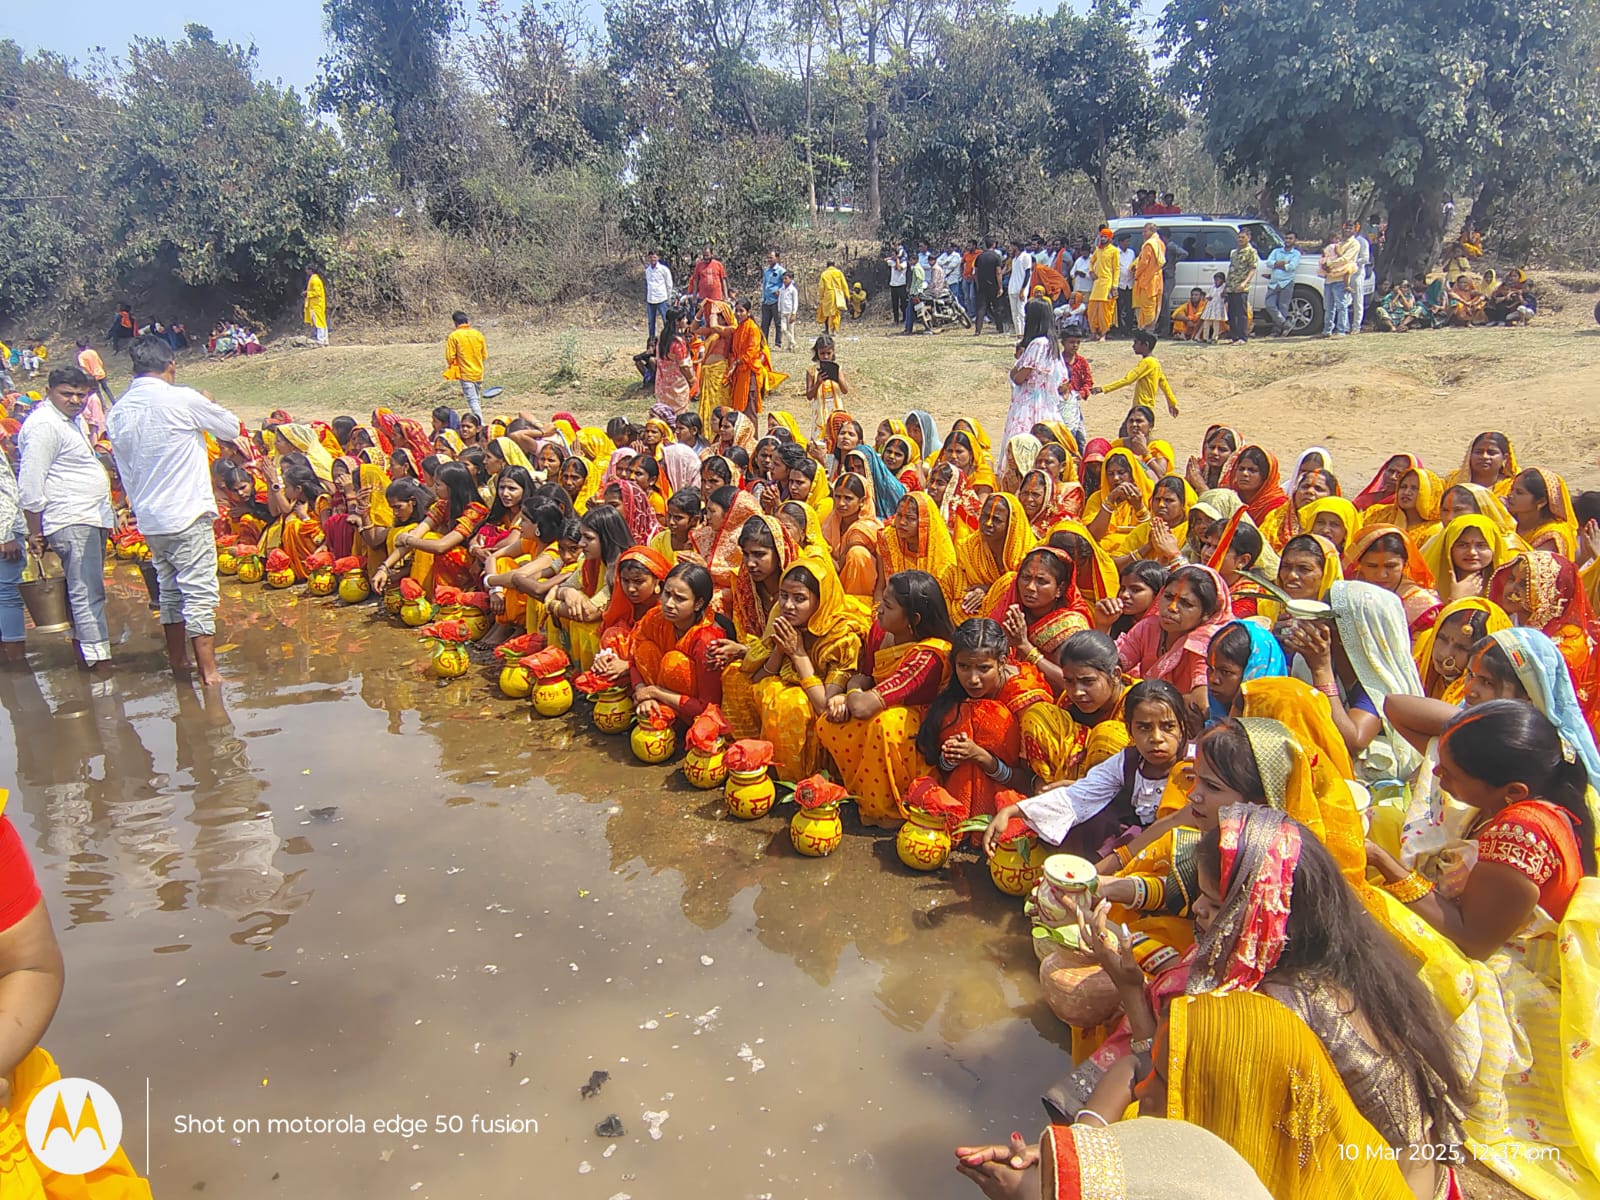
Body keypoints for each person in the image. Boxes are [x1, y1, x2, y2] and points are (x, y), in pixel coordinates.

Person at [107, 335, 243, 686]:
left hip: (151, 518)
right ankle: (209, 673)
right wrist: (206, 402)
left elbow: (122, 466)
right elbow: (230, 427)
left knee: (168, 591)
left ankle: (179, 662)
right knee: (199, 593)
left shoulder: (118, 411)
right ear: (171, 366)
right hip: (186, 513)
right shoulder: (181, 398)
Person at [18, 366, 116, 671]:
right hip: (72, 519)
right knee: (87, 592)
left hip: (89, 516)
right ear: (49, 392)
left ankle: (87, 654)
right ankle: (97, 665)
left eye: (81, 395)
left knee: (86, 589)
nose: (75, 400)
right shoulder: (45, 426)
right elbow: (30, 484)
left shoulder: (70, 422)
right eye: (67, 394)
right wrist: (35, 532)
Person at [1090, 331, 1179, 419]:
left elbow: (1128, 380)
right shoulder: (1155, 362)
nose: (1133, 346)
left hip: (1141, 406)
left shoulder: (1147, 362)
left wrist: (1103, 389)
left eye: (1136, 343)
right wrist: (1172, 403)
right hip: (1148, 407)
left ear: (1145, 345)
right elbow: (1164, 384)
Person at [443, 311, 487, 421]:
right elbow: (484, 355)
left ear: (455, 323)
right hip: (479, 373)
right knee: (476, 399)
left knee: (473, 401)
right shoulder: (478, 334)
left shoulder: (454, 336)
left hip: (465, 374)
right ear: (467, 321)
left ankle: (480, 425)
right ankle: (479, 421)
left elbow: (450, 357)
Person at [1319, 221, 1359, 336]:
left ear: (1355, 230)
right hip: (1329, 277)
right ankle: (1327, 330)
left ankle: (1341, 330)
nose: (1347, 230)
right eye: (1346, 228)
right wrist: (1325, 264)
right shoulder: (1339, 243)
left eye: (1350, 228)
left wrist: (1330, 263)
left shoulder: (1354, 244)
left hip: (1341, 278)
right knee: (1328, 306)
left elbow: (1345, 259)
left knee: (1341, 306)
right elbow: (1327, 255)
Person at [1262, 230, 1301, 336]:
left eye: (1290, 238)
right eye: (1286, 238)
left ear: (1295, 240)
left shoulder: (1296, 254)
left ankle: (1276, 331)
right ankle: (1285, 324)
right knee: (1269, 305)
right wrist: (1282, 263)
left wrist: (1277, 264)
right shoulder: (1276, 251)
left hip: (1287, 282)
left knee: (1283, 306)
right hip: (1274, 283)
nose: (1287, 240)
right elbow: (1269, 263)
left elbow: (1291, 267)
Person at [1223, 228, 1258, 343]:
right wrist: (1226, 286)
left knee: (1241, 313)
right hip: (1231, 286)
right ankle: (1234, 337)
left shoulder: (1251, 252)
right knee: (1231, 313)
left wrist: (1244, 283)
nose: (1240, 239)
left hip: (1241, 287)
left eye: (1243, 237)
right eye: (1239, 237)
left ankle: (1243, 337)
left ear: (1249, 238)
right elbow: (1231, 270)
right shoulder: (1234, 253)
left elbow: (1252, 269)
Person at [1132, 223, 1165, 332]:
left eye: (1145, 231)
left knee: (1147, 307)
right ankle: (1151, 328)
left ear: (1152, 231)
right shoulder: (1160, 243)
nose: (1143, 234)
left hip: (1148, 280)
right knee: (1155, 306)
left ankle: (1146, 329)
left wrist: (1136, 274)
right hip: (1157, 279)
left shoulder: (1149, 245)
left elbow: (1143, 263)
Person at [643, 250, 673, 343]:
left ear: (658, 258)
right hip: (651, 299)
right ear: (648, 258)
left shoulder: (664, 269)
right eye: (651, 257)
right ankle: (651, 340)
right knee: (651, 322)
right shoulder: (647, 270)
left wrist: (669, 297)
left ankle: (669, 338)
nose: (652, 259)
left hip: (662, 299)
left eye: (654, 257)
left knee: (666, 320)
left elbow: (669, 284)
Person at [1006, 240, 1033, 336]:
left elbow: (1028, 273)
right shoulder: (1014, 259)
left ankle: (1024, 334)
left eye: (1011, 247)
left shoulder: (1026, 256)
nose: (1010, 249)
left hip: (1021, 288)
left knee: (1021, 312)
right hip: (1012, 288)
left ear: (1016, 247)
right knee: (1014, 313)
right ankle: (1018, 334)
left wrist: (1023, 289)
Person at [816, 262, 849, 333]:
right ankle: (834, 329)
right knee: (836, 313)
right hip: (838, 295)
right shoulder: (839, 273)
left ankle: (827, 330)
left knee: (826, 313)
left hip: (828, 295)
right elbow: (844, 285)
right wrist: (847, 296)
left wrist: (821, 296)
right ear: (834, 265)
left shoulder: (824, 274)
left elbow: (821, 287)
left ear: (827, 266)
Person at [303, 265, 328, 345]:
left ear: (310, 270)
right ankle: (324, 340)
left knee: (318, 322)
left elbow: (317, 293)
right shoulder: (315, 279)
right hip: (317, 304)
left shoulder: (314, 280)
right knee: (321, 321)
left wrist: (307, 293)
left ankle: (320, 340)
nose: (306, 271)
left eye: (307, 269)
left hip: (316, 305)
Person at [1200, 272, 1226, 342]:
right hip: (1210, 306)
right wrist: (1208, 297)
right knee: (1206, 322)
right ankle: (1205, 337)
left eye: (1218, 280)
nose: (1216, 281)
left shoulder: (1224, 287)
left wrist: (1223, 295)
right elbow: (1208, 294)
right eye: (1215, 280)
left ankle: (1215, 337)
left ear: (1222, 280)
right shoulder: (1212, 287)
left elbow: (1224, 296)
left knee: (1216, 323)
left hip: (1218, 306)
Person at [777, 271, 799, 350]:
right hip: (783, 312)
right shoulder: (782, 289)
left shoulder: (793, 290)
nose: (784, 280)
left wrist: (794, 313)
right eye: (783, 279)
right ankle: (793, 342)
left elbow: (795, 302)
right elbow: (780, 300)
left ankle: (790, 346)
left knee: (791, 329)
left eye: (786, 279)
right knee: (783, 329)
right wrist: (779, 310)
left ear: (791, 279)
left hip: (790, 312)